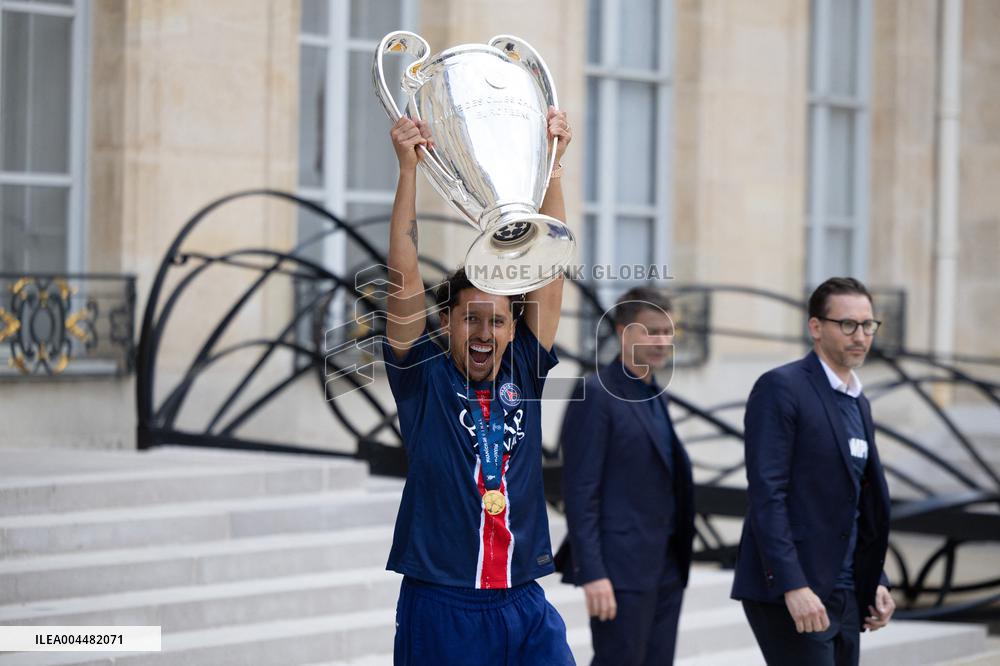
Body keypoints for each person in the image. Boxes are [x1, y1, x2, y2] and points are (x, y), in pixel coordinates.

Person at [380, 108, 575, 665]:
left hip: (523, 601)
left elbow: (549, 267)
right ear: (447, 324)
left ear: (514, 327)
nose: (484, 331)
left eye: (496, 320)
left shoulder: (524, 372)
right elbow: (405, 273)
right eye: (471, 319)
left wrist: (553, 168)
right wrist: (408, 171)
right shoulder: (424, 379)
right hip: (444, 600)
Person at [731, 277, 896, 666]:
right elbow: (767, 496)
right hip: (796, 591)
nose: (860, 335)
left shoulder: (858, 401)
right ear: (816, 327)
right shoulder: (781, 388)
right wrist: (794, 586)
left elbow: (855, 503)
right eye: (848, 324)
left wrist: (877, 579)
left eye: (868, 325)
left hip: (847, 590)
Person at [555, 287, 695, 666]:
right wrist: (594, 573)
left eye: (668, 332)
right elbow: (580, 492)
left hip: (666, 565)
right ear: (622, 331)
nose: (662, 341)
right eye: (650, 331)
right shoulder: (596, 394)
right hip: (620, 572)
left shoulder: (656, 393)